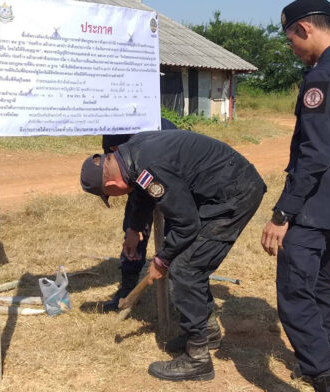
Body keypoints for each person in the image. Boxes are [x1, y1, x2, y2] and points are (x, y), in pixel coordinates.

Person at [80, 129, 266, 381]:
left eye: (109, 196)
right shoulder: (131, 154)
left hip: (234, 194)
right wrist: (134, 229)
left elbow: (186, 223)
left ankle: (198, 359)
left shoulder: (149, 167)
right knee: (190, 264)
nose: (114, 197)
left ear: (112, 186)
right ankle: (207, 332)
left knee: (185, 269)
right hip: (221, 188)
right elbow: (141, 192)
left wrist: (162, 259)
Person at [260, 1, 330, 391]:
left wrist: (281, 214)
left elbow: (314, 155)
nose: (293, 50)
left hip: (311, 207)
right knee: (320, 283)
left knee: (295, 296)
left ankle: (326, 380)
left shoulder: (321, 78)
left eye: (292, 41)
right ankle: (328, 361)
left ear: (305, 29)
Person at [99, 118, 176, 313]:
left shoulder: (160, 134)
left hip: (173, 181)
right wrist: (134, 227)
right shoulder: (113, 133)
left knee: (175, 235)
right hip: (139, 179)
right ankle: (127, 290)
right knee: (133, 231)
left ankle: (180, 295)